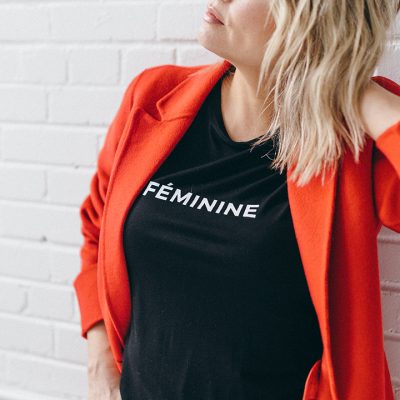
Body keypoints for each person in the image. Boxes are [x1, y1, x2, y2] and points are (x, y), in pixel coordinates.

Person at [74, 1, 400, 399]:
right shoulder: (154, 96)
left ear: (311, 20)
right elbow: (96, 227)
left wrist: (358, 93)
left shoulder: (355, 143)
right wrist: (101, 364)